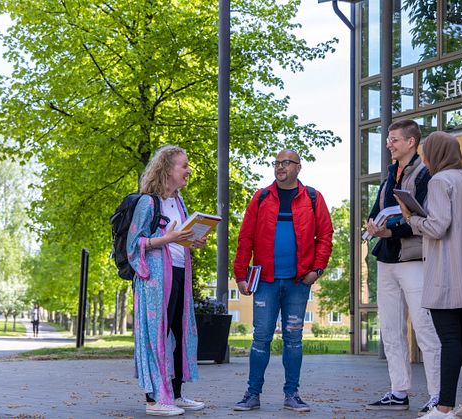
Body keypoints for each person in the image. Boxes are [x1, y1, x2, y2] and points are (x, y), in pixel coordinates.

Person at [396, 131, 462, 419]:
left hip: (446, 272)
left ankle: (444, 408)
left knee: (449, 339)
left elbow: (437, 227)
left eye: (428, 152)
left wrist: (411, 217)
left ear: (436, 154)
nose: (425, 158)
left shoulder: (440, 181)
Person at [232, 149, 333, 413]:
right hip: (265, 281)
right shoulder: (261, 197)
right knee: (260, 339)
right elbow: (245, 238)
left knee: (294, 340)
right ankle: (252, 394)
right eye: (276, 163)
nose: (280, 167)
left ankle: (292, 395)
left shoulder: (312, 198)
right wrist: (240, 274)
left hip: (298, 283)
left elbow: (325, 236)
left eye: (286, 163)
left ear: (299, 167)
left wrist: (318, 269)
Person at [364, 120, 442, 416]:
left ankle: (437, 395)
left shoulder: (426, 174)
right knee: (390, 329)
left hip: (413, 260)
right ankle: (399, 391)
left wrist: (391, 231)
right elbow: (378, 210)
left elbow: (423, 216)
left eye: (394, 139)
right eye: (388, 139)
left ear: (411, 142)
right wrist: (374, 226)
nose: (388, 144)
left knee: (425, 328)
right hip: (386, 259)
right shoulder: (389, 176)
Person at [127, 145, 207, 417]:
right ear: (167, 169)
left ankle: (175, 393)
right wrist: (166, 240)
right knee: (156, 335)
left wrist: (193, 241)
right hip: (156, 281)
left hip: (179, 273)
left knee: (180, 332)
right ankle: (153, 399)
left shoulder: (179, 202)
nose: (188, 170)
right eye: (183, 166)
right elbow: (134, 243)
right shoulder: (148, 202)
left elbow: (177, 238)